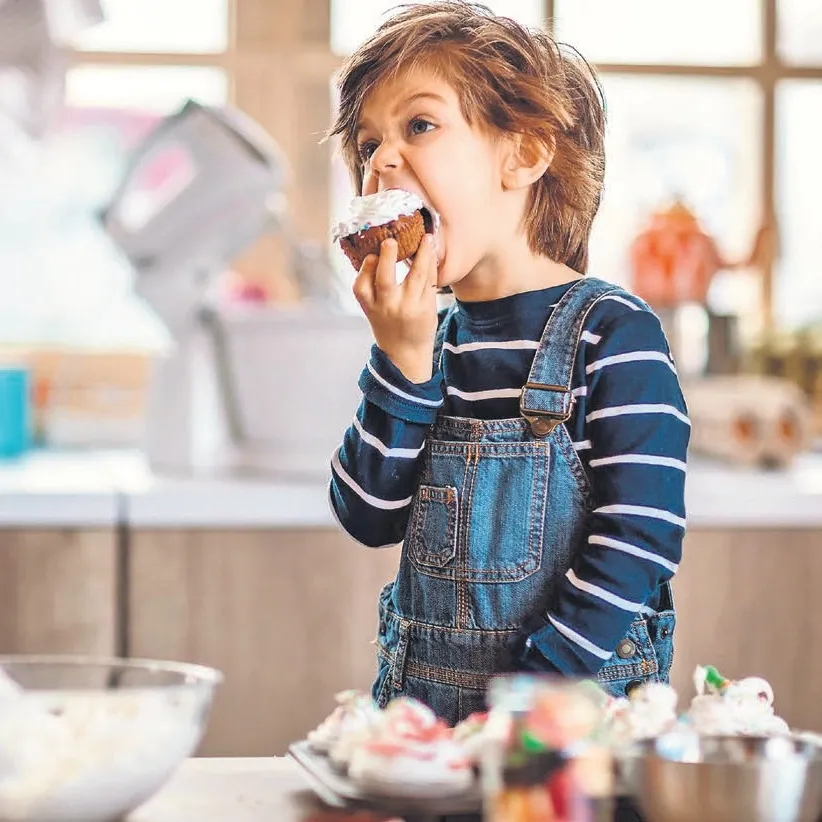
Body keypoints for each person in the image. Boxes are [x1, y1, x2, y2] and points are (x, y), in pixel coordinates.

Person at [327, 0, 689, 726]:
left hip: (565, 731)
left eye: (419, 125)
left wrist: (536, 692)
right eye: (368, 146)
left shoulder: (613, 334)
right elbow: (367, 515)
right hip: (423, 723)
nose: (382, 162)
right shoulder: (427, 340)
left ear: (522, 153)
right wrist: (398, 362)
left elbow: (641, 533)